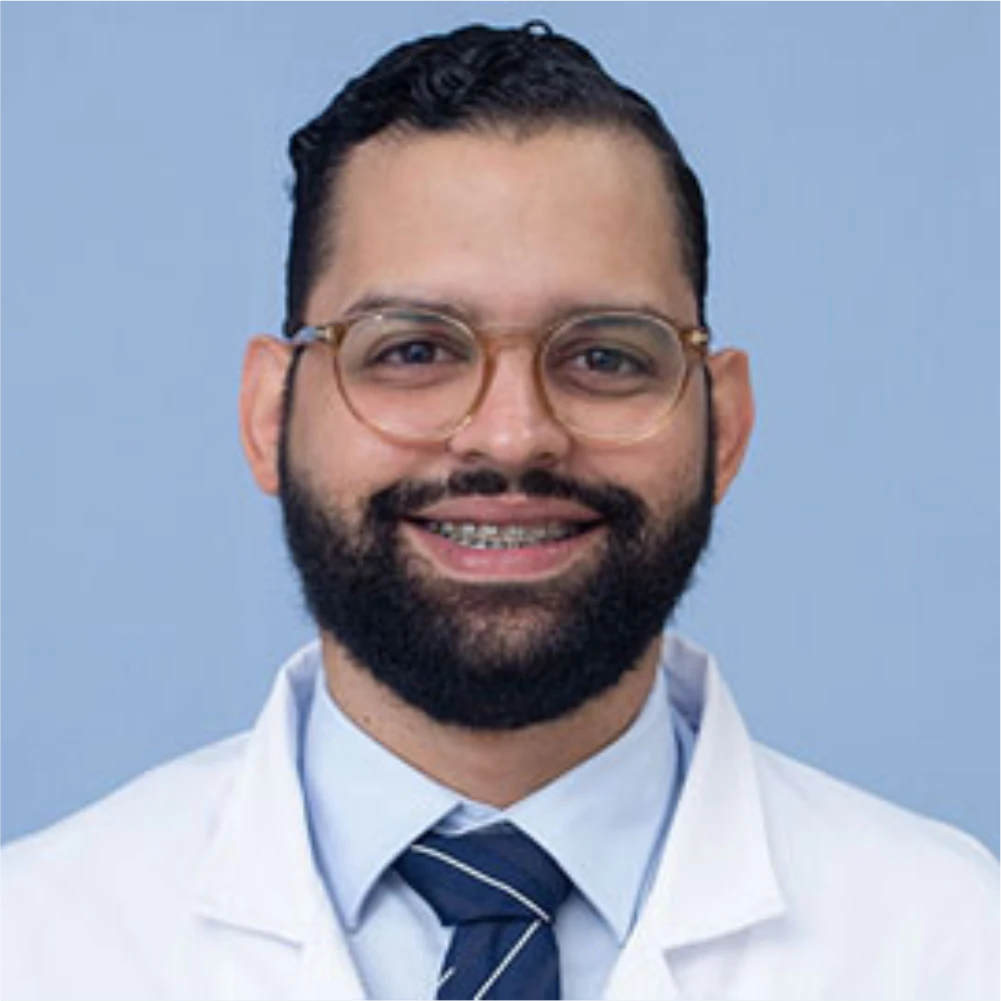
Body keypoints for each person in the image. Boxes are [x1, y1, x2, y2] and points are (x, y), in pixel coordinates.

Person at [1, 20, 999, 1001]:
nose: (513, 436)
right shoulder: (37, 943)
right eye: (413, 350)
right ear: (270, 416)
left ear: (724, 427)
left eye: (604, 355)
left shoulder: (955, 944)